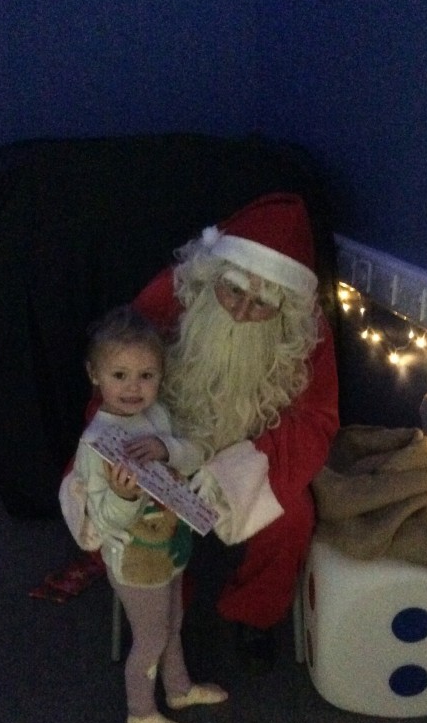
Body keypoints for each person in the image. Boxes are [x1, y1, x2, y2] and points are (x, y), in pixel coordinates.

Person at [132, 193, 340, 673]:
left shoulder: (307, 336)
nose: (242, 311)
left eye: (262, 303)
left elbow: (316, 421)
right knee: (145, 512)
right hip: (166, 440)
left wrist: (239, 471)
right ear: (213, 275)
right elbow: (117, 374)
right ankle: (161, 615)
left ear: (286, 308)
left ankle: (253, 613)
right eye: (233, 291)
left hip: (253, 450)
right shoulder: (169, 296)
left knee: (292, 519)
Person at [59, 306, 228, 723]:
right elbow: (103, 520)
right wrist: (124, 495)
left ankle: (178, 688)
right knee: (151, 637)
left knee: (173, 620)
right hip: (132, 559)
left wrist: (166, 448)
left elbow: (192, 455)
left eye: (146, 376)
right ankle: (141, 712)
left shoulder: (157, 416)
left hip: (170, 545)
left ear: (160, 375)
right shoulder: (95, 443)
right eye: (120, 375)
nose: (134, 387)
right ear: (95, 375)